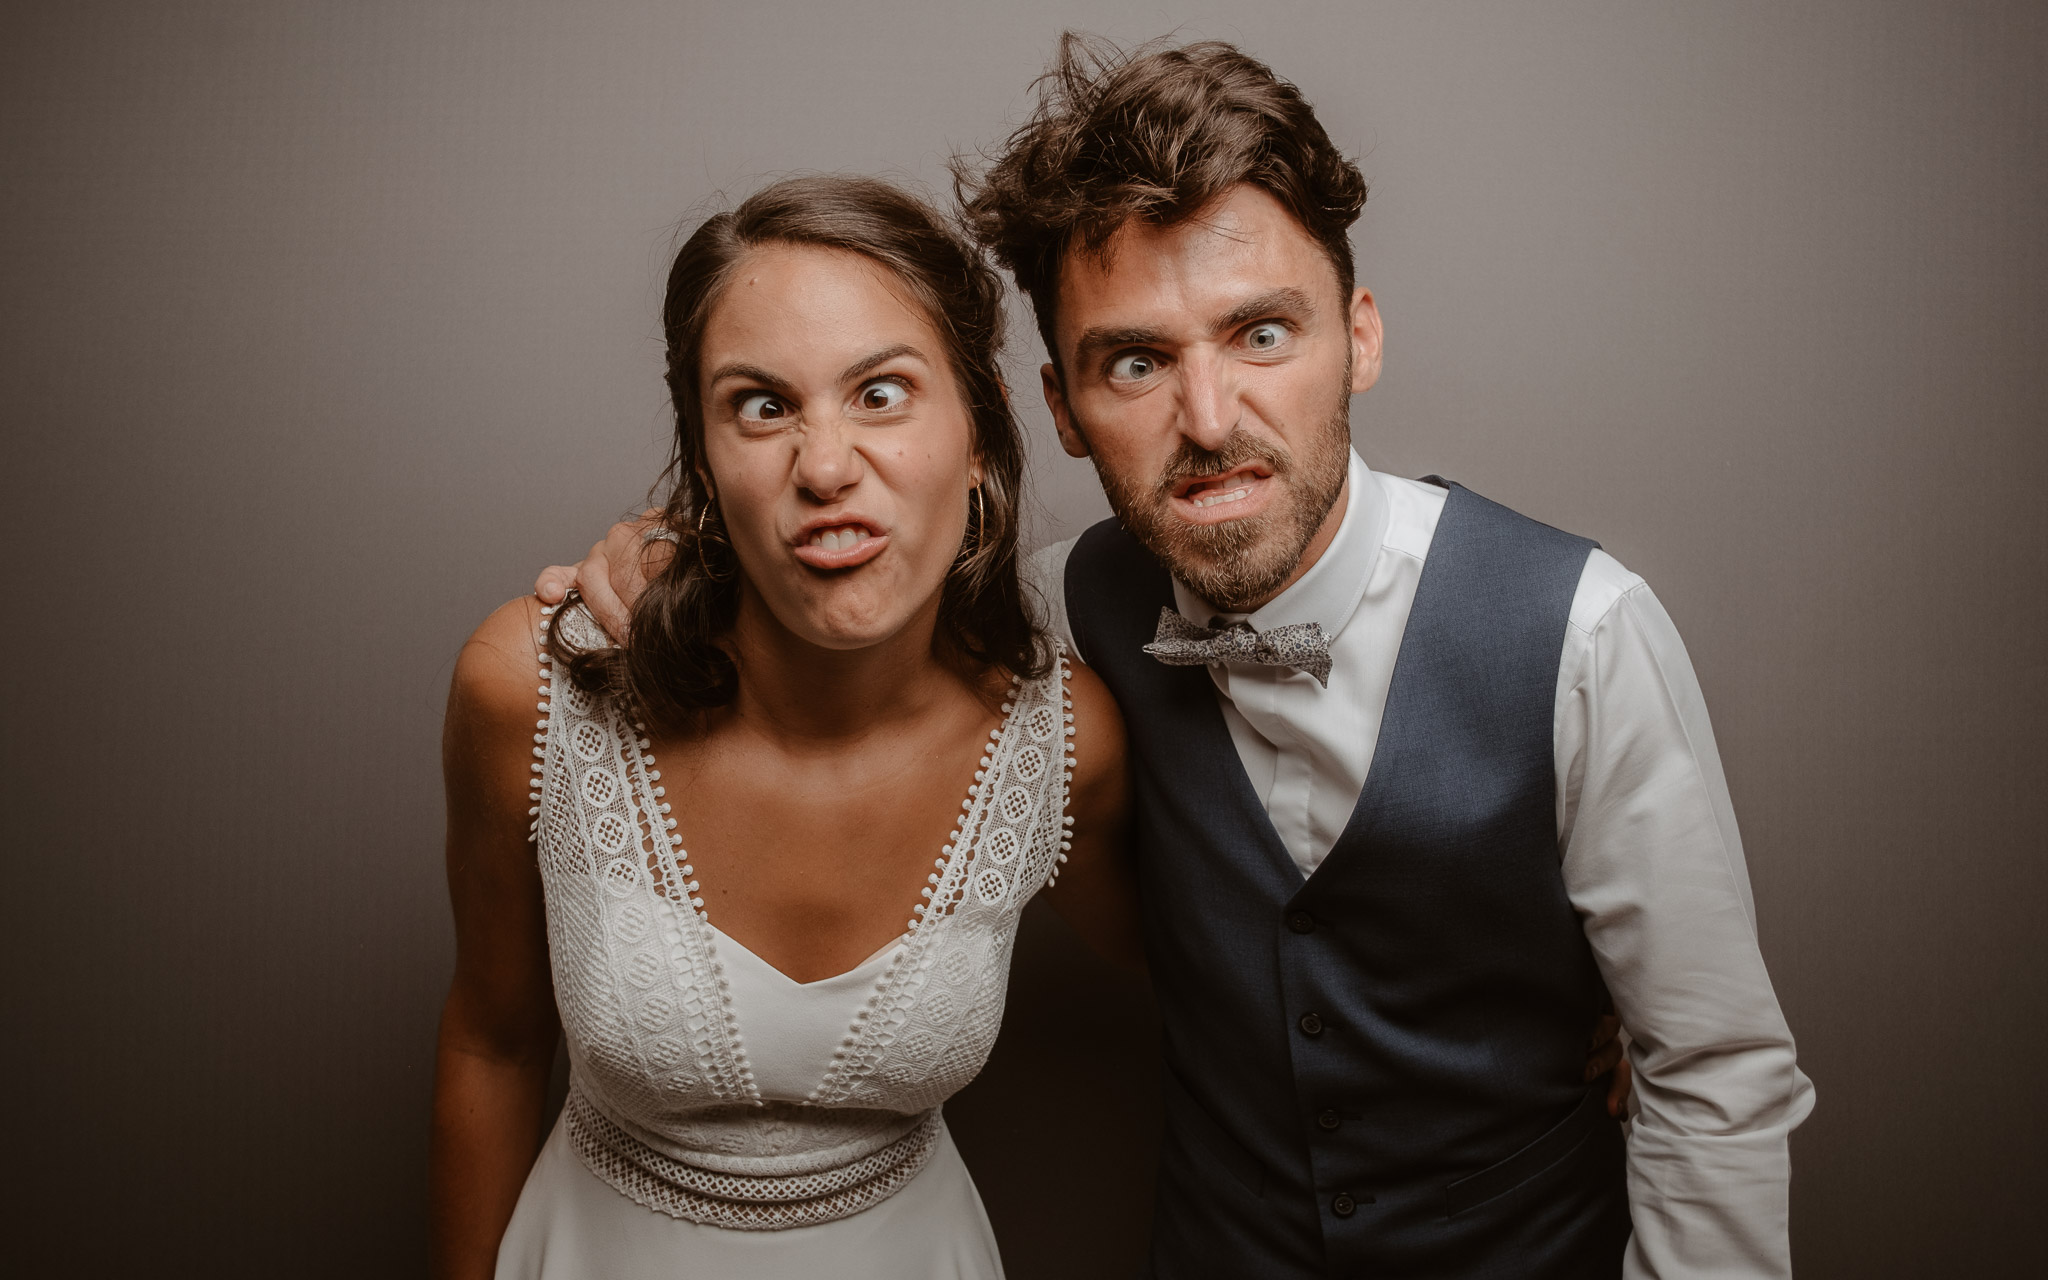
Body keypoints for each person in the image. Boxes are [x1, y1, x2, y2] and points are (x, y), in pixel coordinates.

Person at [542, 35, 1814, 1280]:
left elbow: (1714, 1077)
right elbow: (835, 577)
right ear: (1060, 410)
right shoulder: (1047, 617)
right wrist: (666, 561)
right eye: (1136, 361)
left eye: (1260, 334)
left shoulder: (1583, 632)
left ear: (1357, 337)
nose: (1207, 421)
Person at [431, 175, 1140, 1280]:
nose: (822, 467)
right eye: (761, 405)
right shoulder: (529, 688)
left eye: (881, 393)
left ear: (980, 427)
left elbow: (1239, 988)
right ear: (703, 458)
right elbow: (492, 1038)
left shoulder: (1065, 740)